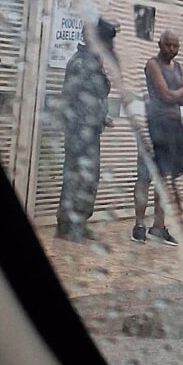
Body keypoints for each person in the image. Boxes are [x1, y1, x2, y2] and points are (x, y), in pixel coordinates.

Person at [55, 18, 118, 242]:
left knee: (89, 178)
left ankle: (78, 222)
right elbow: (77, 100)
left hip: (89, 130)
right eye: (108, 41)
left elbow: (93, 98)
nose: (111, 47)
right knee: (77, 178)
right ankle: (67, 226)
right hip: (79, 132)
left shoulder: (93, 61)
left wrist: (102, 117)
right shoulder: (82, 63)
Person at [132, 29, 183, 246]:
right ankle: (139, 225)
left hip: (172, 129)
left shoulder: (178, 67)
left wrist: (175, 94)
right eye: (168, 45)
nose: (172, 50)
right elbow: (166, 95)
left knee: (164, 179)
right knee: (145, 177)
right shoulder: (152, 65)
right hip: (153, 127)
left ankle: (158, 226)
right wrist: (179, 92)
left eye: (176, 46)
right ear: (159, 44)